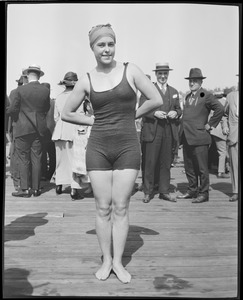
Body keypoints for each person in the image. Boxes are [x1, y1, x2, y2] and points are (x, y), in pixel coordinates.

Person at [61, 24, 162, 283]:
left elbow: (155, 99)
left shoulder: (131, 70)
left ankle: (118, 262)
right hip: (99, 149)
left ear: (115, 45)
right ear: (93, 48)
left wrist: (131, 115)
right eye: (100, 45)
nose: (106, 49)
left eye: (110, 44)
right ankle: (106, 259)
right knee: (102, 207)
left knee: (121, 206)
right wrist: (93, 121)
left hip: (128, 147)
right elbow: (67, 113)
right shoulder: (86, 79)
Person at [177, 68, 224, 203]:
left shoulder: (205, 94)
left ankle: (203, 193)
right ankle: (192, 190)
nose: (192, 83)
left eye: (195, 81)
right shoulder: (187, 96)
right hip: (187, 137)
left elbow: (219, 109)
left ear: (201, 81)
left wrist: (210, 125)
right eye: (190, 81)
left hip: (200, 137)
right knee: (189, 167)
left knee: (202, 168)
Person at [140, 63, 182, 203]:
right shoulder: (148, 90)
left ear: (168, 74)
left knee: (166, 162)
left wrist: (175, 113)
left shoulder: (174, 91)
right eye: (160, 74)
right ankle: (148, 191)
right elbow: (141, 109)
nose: (163, 76)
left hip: (168, 131)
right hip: (153, 130)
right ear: (156, 74)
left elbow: (179, 110)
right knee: (150, 162)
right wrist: (154, 113)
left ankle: (164, 191)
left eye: (165, 74)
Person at [7, 64, 50, 197]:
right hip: (39, 129)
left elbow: (13, 109)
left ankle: (25, 189)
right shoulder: (45, 90)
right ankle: (36, 189)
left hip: (22, 128)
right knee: (37, 158)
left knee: (23, 158)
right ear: (39, 75)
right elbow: (46, 108)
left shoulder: (20, 90)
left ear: (27, 75)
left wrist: (12, 115)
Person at [51, 71, 85, 200]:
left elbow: (56, 117)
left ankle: (59, 184)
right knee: (74, 161)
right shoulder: (78, 97)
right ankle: (74, 189)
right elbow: (80, 114)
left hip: (59, 131)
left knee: (60, 160)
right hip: (73, 131)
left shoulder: (59, 97)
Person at [7, 71, 29, 190]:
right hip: (23, 125)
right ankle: (20, 176)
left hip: (15, 124)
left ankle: (16, 176)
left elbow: (10, 110)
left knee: (15, 151)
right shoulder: (25, 92)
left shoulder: (14, 92)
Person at [222, 86, 239, 202]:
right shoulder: (231, 96)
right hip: (234, 135)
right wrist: (225, 126)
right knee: (234, 165)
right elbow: (224, 115)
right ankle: (236, 191)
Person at [209, 92, 230, 178]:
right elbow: (224, 117)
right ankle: (221, 172)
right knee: (222, 151)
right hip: (219, 131)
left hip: (211, 130)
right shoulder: (223, 103)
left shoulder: (211, 103)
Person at [40, 82, 56, 181]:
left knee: (42, 154)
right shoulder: (54, 102)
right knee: (52, 155)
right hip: (53, 131)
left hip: (43, 131)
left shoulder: (40, 102)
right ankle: (51, 173)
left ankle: (44, 174)